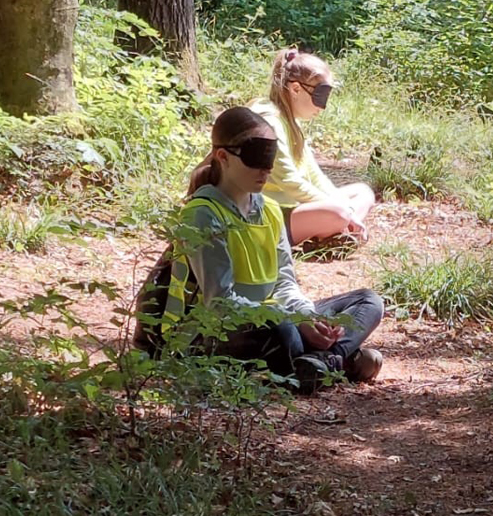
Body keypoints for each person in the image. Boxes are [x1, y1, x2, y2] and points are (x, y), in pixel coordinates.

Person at [160, 106, 384, 391]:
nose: (266, 169)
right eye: (256, 158)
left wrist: (307, 317)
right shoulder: (203, 214)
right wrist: (293, 321)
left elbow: (284, 282)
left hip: (273, 318)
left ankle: (324, 361)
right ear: (223, 157)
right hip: (216, 333)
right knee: (284, 332)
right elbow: (219, 305)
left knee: (368, 301)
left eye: (271, 158)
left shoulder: (271, 212)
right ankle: (333, 362)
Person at [251, 49, 376, 249]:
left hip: (291, 208)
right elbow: (289, 181)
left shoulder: (291, 121)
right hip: (266, 216)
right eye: (320, 95)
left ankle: (333, 233)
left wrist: (338, 202)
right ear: (296, 89)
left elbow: (314, 176)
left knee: (363, 192)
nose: (322, 107)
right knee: (339, 213)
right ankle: (334, 231)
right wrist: (344, 211)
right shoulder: (270, 122)